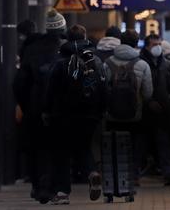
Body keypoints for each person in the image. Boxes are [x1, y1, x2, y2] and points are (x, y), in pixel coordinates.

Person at [44, 25, 107, 205]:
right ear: (85, 37)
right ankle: (92, 172)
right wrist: (101, 110)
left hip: (63, 115)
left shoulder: (60, 61)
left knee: (62, 152)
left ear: (67, 39)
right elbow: (104, 88)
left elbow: (51, 90)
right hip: (90, 115)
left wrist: (47, 110)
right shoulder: (96, 61)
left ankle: (63, 193)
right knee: (83, 147)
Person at [13, 9, 66, 203]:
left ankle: (37, 186)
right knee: (54, 148)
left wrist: (23, 104)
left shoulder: (30, 50)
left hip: (33, 106)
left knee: (34, 147)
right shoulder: (63, 50)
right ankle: (49, 187)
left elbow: (20, 82)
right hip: (56, 108)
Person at [103, 30, 154, 193]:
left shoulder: (107, 63)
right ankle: (134, 176)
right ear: (135, 43)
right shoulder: (142, 64)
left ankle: (113, 178)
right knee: (134, 146)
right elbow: (148, 93)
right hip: (135, 115)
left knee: (113, 146)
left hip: (112, 114)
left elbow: (103, 89)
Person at [140, 33, 170, 185]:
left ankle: (168, 171)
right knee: (142, 142)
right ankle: (136, 172)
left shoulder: (167, 64)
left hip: (163, 109)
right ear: (147, 46)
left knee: (164, 142)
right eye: (154, 45)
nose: (157, 48)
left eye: (159, 44)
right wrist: (148, 101)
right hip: (145, 109)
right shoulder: (141, 62)